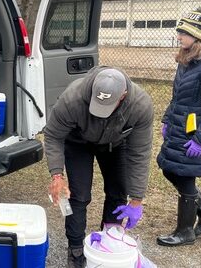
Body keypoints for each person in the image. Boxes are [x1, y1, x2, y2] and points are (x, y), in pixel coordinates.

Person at [44, 67, 154, 268]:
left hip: (116, 144)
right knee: (78, 196)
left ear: (123, 97)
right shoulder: (72, 99)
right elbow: (53, 135)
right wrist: (57, 175)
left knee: (118, 192)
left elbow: (140, 152)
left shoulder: (140, 105)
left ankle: (108, 240)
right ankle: (76, 249)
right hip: (78, 142)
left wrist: (137, 199)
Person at [156, 7, 201, 247]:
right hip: (179, 127)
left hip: (193, 133)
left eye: (183, 33)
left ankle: (185, 231)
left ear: (197, 36)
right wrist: (167, 119)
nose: (178, 37)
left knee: (184, 176)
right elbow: (178, 96)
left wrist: (200, 139)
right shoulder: (188, 57)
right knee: (169, 168)